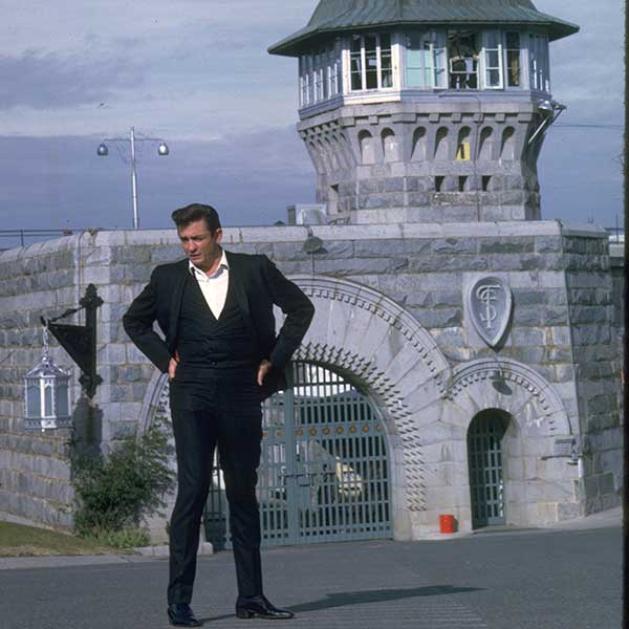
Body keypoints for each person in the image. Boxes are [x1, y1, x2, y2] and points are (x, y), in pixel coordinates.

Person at [123, 203, 315, 626]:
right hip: (190, 393)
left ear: (218, 236)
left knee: (243, 493)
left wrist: (274, 359)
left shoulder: (254, 269)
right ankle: (179, 602)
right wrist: (164, 362)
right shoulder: (168, 278)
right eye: (184, 240)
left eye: (197, 238)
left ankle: (251, 597)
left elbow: (301, 309)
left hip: (242, 390)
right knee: (191, 492)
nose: (190, 247)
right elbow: (133, 321)